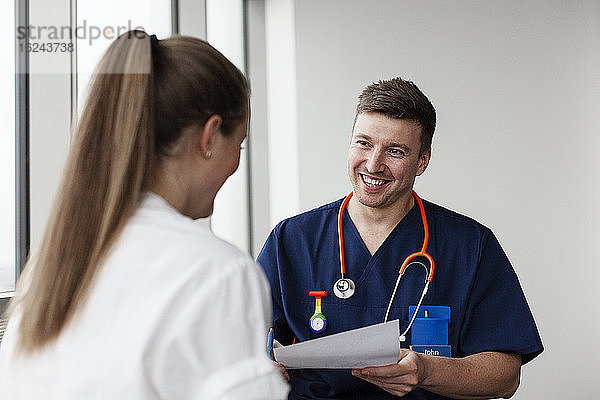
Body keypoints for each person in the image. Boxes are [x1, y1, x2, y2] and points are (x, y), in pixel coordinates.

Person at [0, 31, 289, 399]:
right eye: (240, 144)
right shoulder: (216, 272)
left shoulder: (54, 263)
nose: (236, 163)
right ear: (210, 136)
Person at [257, 77, 543, 399]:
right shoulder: (291, 241)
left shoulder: (469, 246)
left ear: (422, 161)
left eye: (395, 151)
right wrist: (259, 361)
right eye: (363, 143)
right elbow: (242, 343)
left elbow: (505, 376)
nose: (374, 164)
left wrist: (427, 371)